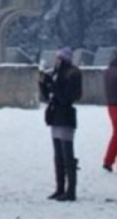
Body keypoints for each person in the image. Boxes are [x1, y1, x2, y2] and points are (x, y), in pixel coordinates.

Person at [39, 47, 83, 202]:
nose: (55, 61)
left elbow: (67, 97)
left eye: (58, 58)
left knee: (67, 155)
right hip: (55, 115)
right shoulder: (57, 73)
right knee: (58, 155)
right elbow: (49, 95)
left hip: (65, 115)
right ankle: (59, 188)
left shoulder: (72, 74)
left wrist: (52, 85)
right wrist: (44, 84)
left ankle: (70, 191)